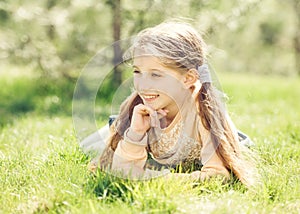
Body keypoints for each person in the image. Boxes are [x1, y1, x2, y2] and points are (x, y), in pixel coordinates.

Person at [80, 21, 257, 187]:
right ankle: (110, 127)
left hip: (205, 133)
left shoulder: (203, 113)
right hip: (124, 125)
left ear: (188, 78)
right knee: (88, 147)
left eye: (156, 75)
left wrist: (156, 179)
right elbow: (119, 170)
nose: (142, 85)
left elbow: (218, 175)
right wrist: (136, 133)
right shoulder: (139, 108)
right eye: (137, 71)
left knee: (238, 145)